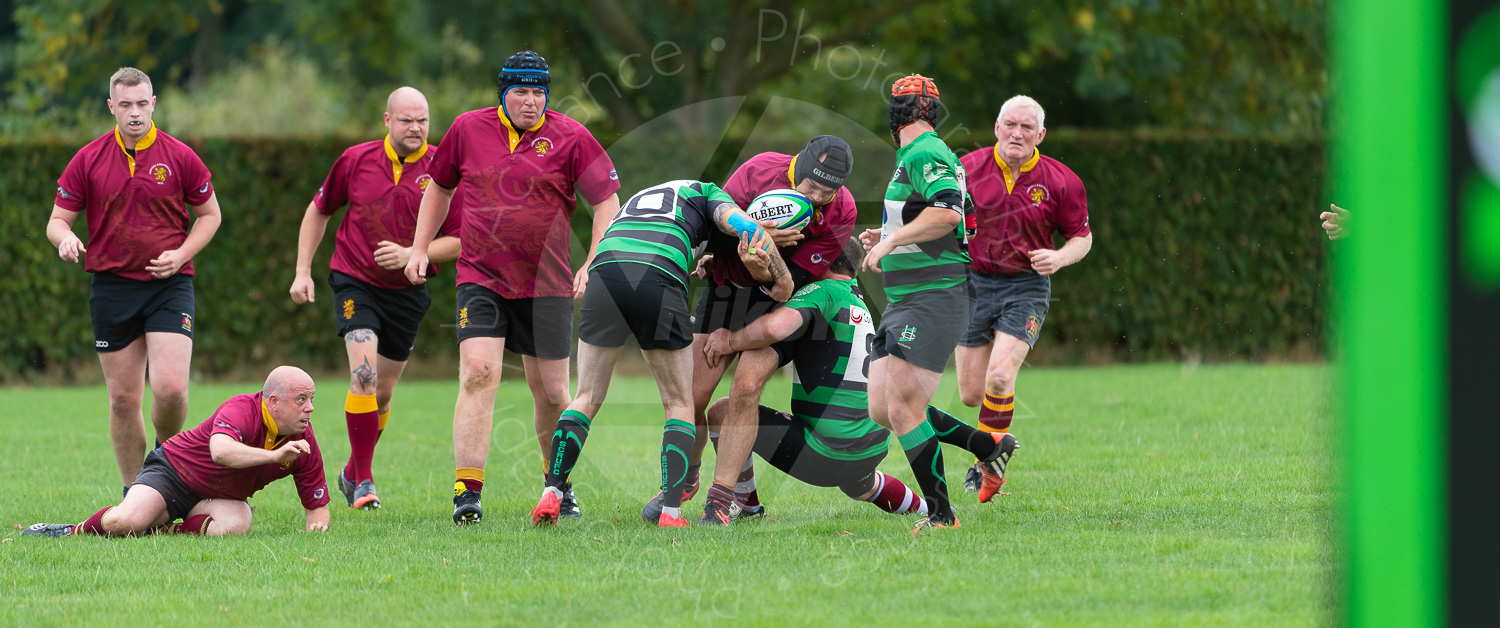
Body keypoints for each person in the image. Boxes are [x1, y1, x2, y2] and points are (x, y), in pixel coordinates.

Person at [405, 51, 622, 525]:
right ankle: (468, 492)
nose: (530, 101)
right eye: (520, 92)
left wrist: (594, 260)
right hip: (481, 277)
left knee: (550, 393)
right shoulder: (467, 129)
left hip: (547, 287)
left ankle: (557, 485)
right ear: (503, 93)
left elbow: (606, 200)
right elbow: (438, 191)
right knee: (479, 372)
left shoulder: (571, 136)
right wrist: (420, 248)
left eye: (538, 92)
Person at [529, 179, 793, 528]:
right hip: (657, 275)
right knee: (679, 403)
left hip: (604, 274)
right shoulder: (708, 192)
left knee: (586, 396)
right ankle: (671, 513)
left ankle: (553, 492)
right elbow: (742, 226)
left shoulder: (645, 197)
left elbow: (673, 235)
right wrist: (780, 273)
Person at [698, 238, 1010, 525]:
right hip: (871, 446)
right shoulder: (856, 300)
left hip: (825, 453)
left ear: (824, 261)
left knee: (723, 413)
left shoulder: (822, 292)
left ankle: (748, 508)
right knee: (860, 481)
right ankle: (935, 506)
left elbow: (777, 327)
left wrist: (732, 340)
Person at [640, 135, 858, 523]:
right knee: (692, 395)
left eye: (828, 191)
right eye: (812, 188)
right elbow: (712, 225)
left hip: (780, 302)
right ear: (798, 167)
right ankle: (685, 480)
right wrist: (756, 237)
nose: (819, 198)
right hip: (726, 290)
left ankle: (721, 500)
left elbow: (789, 282)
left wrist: (764, 262)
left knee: (746, 385)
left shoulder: (842, 210)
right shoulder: (758, 171)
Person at [45, 67, 223, 494]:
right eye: (125, 105)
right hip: (111, 288)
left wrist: (181, 255)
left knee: (172, 390)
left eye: (143, 104)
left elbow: (211, 216)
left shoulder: (180, 156)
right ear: (112, 107)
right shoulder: (88, 158)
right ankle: (135, 492)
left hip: (169, 285)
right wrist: (65, 239)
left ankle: (167, 454)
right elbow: (56, 222)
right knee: (124, 400)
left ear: (154, 104)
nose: (135, 113)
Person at [289, 87, 463, 511]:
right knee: (363, 377)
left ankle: (351, 470)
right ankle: (364, 482)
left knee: (381, 394)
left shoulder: (442, 168)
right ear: (387, 121)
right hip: (354, 281)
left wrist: (411, 254)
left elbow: (460, 239)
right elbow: (320, 210)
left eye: (422, 120)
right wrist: (302, 270)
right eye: (406, 120)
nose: (416, 128)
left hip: (407, 292)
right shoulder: (355, 160)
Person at [954, 95, 1090, 501]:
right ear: (996, 128)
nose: (1017, 133)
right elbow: (936, 217)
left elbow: (1082, 237)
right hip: (973, 284)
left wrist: (1060, 256)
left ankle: (988, 467)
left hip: (1026, 287)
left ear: (1040, 135)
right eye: (1010, 125)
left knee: (1000, 375)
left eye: (1026, 128)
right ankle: (991, 446)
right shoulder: (966, 170)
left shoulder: (1062, 181)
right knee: (970, 394)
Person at [857, 74, 973, 531]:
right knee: (881, 407)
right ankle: (985, 446)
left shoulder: (924, 151)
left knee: (904, 406)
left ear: (897, 114)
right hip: (909, 298)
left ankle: (942, 515)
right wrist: (884, 235)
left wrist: (890, 243)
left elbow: (947, 212)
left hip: (934, 297)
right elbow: (921, 216)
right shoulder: (912, 156)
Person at [23, 366, 331, 537]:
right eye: (301, 399)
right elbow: (220, 451)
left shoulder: (304, 441)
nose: (310, 408)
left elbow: (317, 510)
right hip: (173, 472)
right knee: (125, 523)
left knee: (237, 525)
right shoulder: (241, 409)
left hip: (214, 496)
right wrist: (275, 456)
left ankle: (165, 530)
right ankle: (70, 531)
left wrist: (315, 535)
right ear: (273, 402)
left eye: (311, 399)